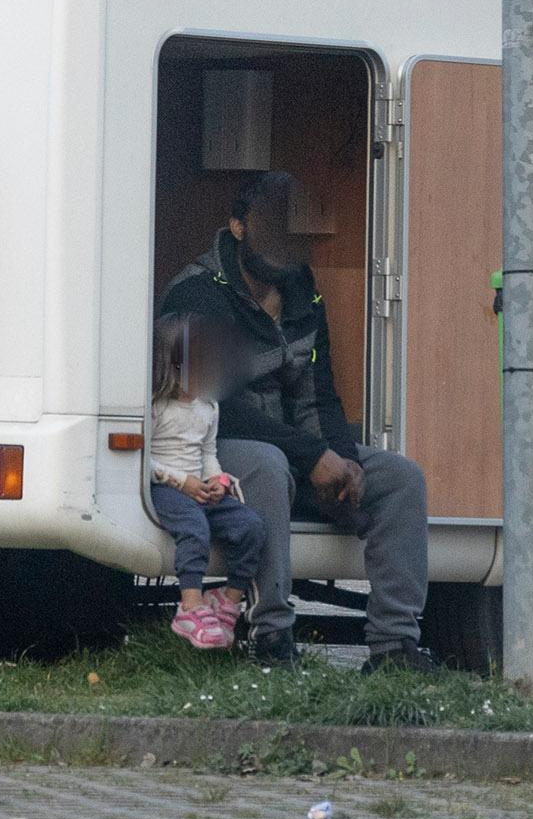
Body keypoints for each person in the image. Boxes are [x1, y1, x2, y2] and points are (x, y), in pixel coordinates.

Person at [158, 170, 432, 667]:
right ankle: (272, 637)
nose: (281, 240)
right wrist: (311, 457)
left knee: (401, 478)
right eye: (268, 226)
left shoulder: (303, 290)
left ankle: (395, 646)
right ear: (238, 227)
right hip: (210, 450)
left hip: (296, 452)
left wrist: (344, 465)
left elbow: (320, 394)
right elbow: (220, 408)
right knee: (266, 463)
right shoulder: (195, 295)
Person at [146, 313, 271, 647]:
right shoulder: (156, 407)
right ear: (169, 365)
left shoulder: (208, 406)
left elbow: (207, 450)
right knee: (194, 527)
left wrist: (216, 479)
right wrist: (179, 482)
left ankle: (228, 599)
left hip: (198, 487)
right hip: (165, 488)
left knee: (251, 527)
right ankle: (190, 605)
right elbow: (143, 461)